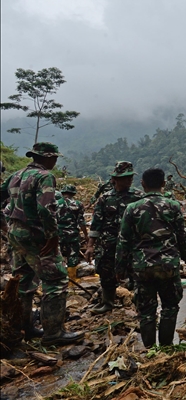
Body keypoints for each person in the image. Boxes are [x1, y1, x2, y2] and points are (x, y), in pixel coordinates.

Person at [0, 142, 84, 345]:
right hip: (36, 236)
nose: (55, 162)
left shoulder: (16, 175)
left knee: (24, 282)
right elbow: (46, 208)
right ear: (47, 158)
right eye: (54, 158)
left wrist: (5, 225)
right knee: (55, 280)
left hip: (16, 235)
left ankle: (25, 328)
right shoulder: (44, 176)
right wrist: (52, 235)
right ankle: (53, 333)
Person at [116, 168, 186, 348]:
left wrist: (119, 268)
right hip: (168, 266)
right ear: (164, 184)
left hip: (142, 267)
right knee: (170, 307)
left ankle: (149, 350)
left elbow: (123, 241)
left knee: (146, 311)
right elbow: (182, 235)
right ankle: (166, 348)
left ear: (142, 184)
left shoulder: (132, 208)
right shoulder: (173, 206)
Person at [89, 161, 146, 314]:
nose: (129, 180)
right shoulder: (105, 199)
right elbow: (96, 224)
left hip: (132, 244)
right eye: (125, 177)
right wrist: (90, 245)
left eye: (130, 177)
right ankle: (108, 303)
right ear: (115, 179)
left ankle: (140, 306)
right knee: (106, 273)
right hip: (108, 243)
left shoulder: (139, 197)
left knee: (137, 273)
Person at [56, 185, 88, 282]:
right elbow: (81, 221)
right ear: (73, 193)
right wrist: (86, 235)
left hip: (58, 233)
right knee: (73, 255)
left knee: (58, 255)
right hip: (72, 234)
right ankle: (72, 280)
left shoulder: (56, 203)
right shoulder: (78, 204)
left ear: (62, 193)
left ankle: (58, 279)